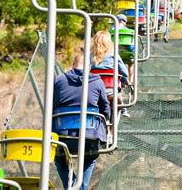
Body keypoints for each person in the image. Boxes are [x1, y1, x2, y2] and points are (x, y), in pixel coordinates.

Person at [53, 50, 110, 190]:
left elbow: (51, 105)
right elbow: (105, 108)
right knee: (90, 157)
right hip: (89, 135)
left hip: (62, 135)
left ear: (73, 64)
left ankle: (70, 186)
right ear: (89, 66)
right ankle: (80, 188)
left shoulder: (59, 80)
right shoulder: (97, 81)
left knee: (60, 158)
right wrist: (106, 123)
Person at [91, 31, 130, 118]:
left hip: (95, 91)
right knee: (119, 77)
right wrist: (124, 80)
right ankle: (113, 128)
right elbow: (124, 71)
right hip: (111, 89)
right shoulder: (113, 54)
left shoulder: (90, 56)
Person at [109, 14, 135, 80]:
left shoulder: (111, 30)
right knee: (131, 62)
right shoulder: (128, 31)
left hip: (113, 52)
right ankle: (130, 80)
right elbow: (131, 46)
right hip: (126, 53)